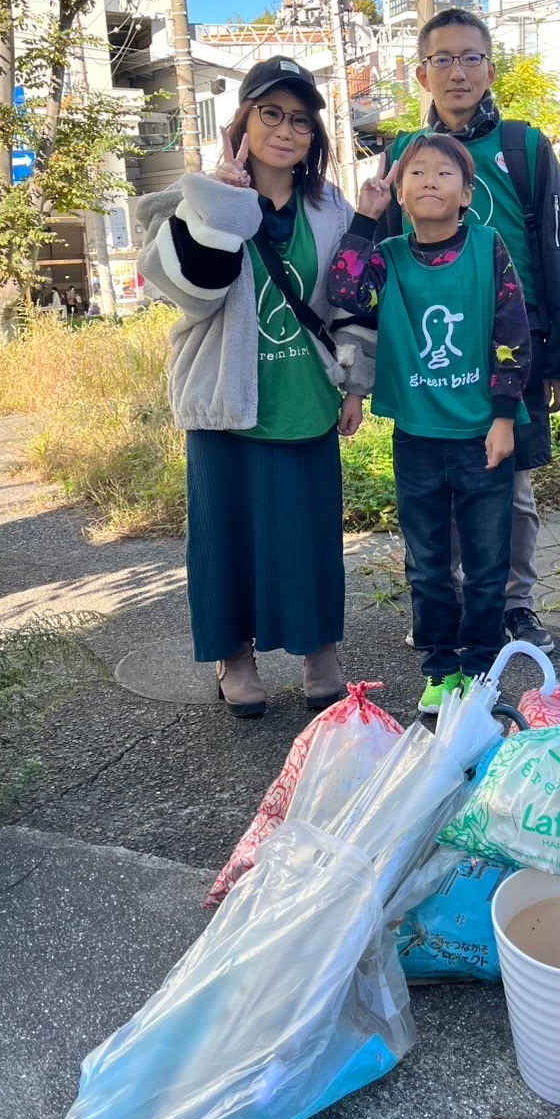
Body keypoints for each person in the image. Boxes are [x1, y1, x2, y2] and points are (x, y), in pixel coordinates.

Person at [137, 57, 376, 716]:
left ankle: (318, 650)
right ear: (242, 119)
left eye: (300, 119)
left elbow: (352, 297)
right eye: (270, 112)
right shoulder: (202, 198)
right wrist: (225, 199)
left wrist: (354, 384)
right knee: (226, 534)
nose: (286, 129)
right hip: (224, 397)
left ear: (314, 136)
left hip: (305, 394)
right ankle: (233, 657)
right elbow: (193, 292)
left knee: (310, 533)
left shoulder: (329, 209)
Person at [373, 8, 560, 655]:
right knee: (439, 491)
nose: (457, 71)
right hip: (432, 369)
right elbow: (381, 261)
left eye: (470, 58)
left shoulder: (523, 146)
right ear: (421, 73)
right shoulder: (401, 152)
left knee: (511, 488)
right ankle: (447, 603)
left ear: (490, 69)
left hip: (509, 356)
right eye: (443, 59)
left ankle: (515, 604)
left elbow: (558, 247)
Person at [328, 133, 531, 713]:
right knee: (428, 567)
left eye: (445, 174)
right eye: (416, 173)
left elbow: (512, 336)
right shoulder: (388, 257)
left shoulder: (489, 247)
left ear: (467, 193)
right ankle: (441, 670)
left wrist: (503, 417)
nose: (430, 182)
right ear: (399, 190)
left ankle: (481, 669)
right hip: (416, 436)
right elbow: (344, 288)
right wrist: (366, 217)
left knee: (490, 564)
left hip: (481, 436)